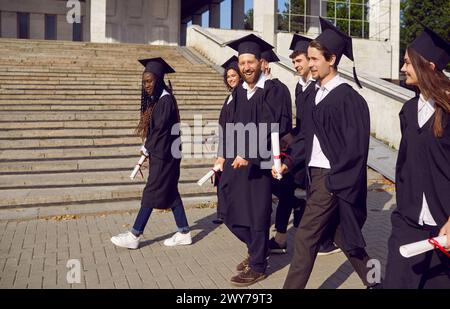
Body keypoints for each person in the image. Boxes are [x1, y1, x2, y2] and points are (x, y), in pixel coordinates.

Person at [274, 17, 376, 289]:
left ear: (331, 60)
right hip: (314, 174)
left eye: (314, 58)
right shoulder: (316, 94)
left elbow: (355, 150)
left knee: (305, 236)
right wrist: (289, 160)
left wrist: (333, 182)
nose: (309, 63)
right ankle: (377, 281)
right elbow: (307, 135)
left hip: (332, 179)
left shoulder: (348, 98)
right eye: (308, 58)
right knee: (345, 237)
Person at [384, 26, 450, 289]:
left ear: (429, 66)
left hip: (444, 223)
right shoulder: (408, 110)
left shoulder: (448, 111)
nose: (403, 68)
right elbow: (406, 163)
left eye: (407, 63)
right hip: (409, 220)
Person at [218, 34, 282, 286]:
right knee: (228, 209)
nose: (246, 67)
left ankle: (257, 265)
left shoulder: (271, 91)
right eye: (242, 62)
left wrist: (250, 153)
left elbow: (271, 126)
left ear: (260, 62)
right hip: (236, 161)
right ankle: (259, 248)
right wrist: (223, 155)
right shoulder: (239, 93)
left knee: (257, 214)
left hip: (259, 163)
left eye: (250, 62)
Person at [110, 57, 191, 249]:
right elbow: (155, 131)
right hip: (164, 154)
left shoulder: (165, 101)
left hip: (165, 156)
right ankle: (184, 232)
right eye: (144, 81)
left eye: (150, 81)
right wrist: (148, 147)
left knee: (151, 192)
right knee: (171, 193)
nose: (146, 85)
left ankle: (135, 235)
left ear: (159, 80)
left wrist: (147, 149)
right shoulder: (158, 100)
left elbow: (160, 131)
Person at [259, 48, 307, 254]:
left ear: (265, 63)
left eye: (256, 60)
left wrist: (289, 139)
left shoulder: (277, 88)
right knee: (280, 192)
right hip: (263, 148)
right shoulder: (296, 86)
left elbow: (283, 120)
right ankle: (296, 206)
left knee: (282, 190)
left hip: (279, 148)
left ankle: (280, 238)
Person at [213, 56, 242, 225]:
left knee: (229, 182)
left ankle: (227, 213)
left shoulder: (241, 95)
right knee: (222, 179)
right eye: (228, 76)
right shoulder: (230, 96)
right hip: (227, 144)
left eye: (233, 75)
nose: (231, 79)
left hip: (236, 146)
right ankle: (223, 213)